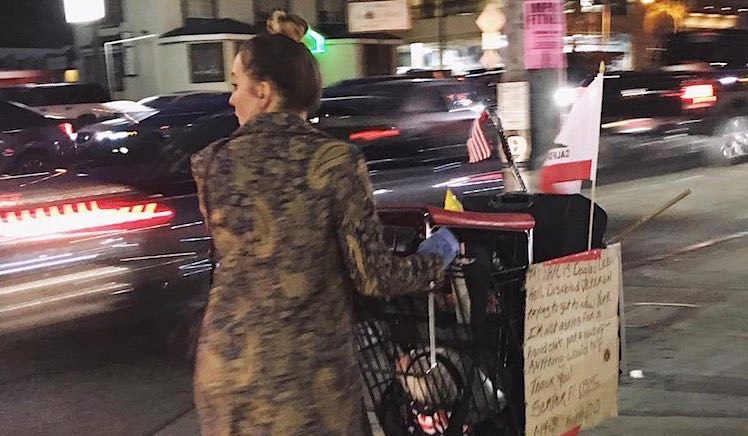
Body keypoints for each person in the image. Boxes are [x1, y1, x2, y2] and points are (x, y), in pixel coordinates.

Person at [190, 23, 460, 436]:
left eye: (235, 84)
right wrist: (438, 255)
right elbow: (373, 276)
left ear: (264, 92)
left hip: (225, 371)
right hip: (304, 381)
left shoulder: (211, 163)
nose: (231, 97)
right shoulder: (334, 162)